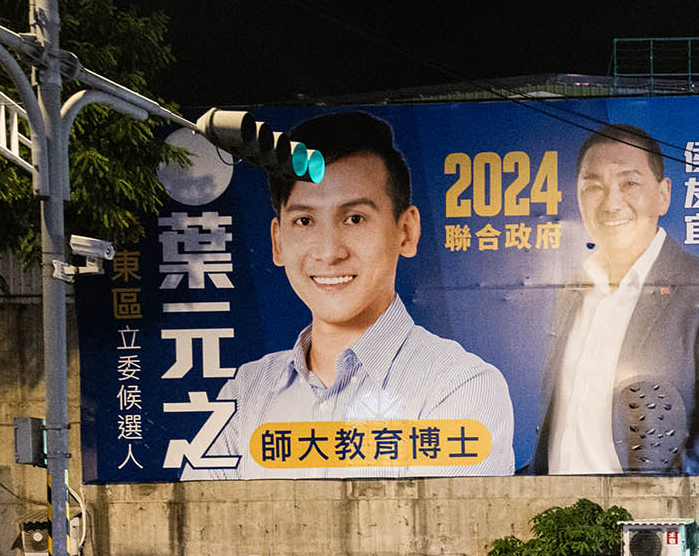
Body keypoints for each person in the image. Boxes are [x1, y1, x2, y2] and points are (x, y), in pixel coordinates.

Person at [194, 111, 514, 478]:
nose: (329, 252)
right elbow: (198, 527)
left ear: (406, 231)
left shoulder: (460, 387)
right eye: (304, 221)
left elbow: (444, 532)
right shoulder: (245, 394)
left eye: (355, 219)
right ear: (277, 241)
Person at [530, 124, 699, 475]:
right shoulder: (572, 292)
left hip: (653, 518)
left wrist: (655, 508)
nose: (611, 202)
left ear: (663, 194)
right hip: (563, 515)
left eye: (629, 183)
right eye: (593, 186)